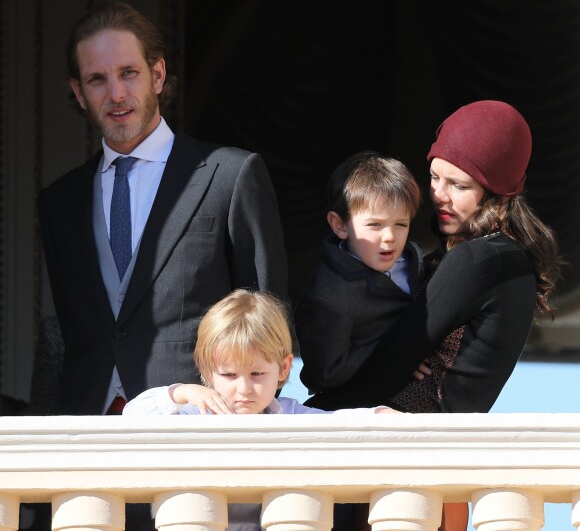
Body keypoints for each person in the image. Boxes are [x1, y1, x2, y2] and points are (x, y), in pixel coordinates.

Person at [297, 101, 562, 531]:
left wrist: (300, 417)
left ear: (496, 189)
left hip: (405, 474)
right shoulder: (506, 259)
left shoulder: (477, 260)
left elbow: (390, 363)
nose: (438, 193)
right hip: (434, 478)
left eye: (458, 184)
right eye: (436, 176)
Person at [36, 0, 287, 419]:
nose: (116, 93)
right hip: (87, 428)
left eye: (128, 73)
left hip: (199, 424)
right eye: (97, 79)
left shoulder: (230, 174)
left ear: (157, 74)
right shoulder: (60, 202)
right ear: (79, 93)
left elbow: (268, 317)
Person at [124, 289, 396, 531]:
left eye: (256, 373)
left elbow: (338, 423)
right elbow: (132, 417)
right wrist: (180, 392)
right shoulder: (195, 414)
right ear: (207, 370)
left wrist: (378, 415)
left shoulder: (288, 415)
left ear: (284, 368)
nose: (244, 388)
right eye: (229, 374)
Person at [295, 152, 423, 402]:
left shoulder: (414, 257)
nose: (390, 237)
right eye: (375, 225)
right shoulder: (328, 297)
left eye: (401, 224)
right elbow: (324, 373)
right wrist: (401, 353)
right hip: (356, 406)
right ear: (340, 225)